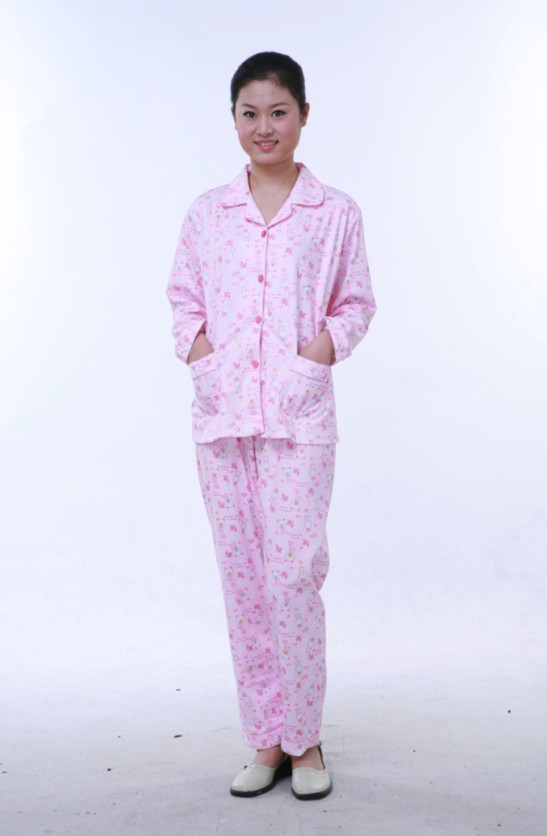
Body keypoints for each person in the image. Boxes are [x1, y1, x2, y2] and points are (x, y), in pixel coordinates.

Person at [166, 51, 377, 800]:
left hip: (297, 418)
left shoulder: (335, 212)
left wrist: (316, 355)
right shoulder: (207, 213)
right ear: (233, 120)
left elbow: (355, 303)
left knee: (293, 576)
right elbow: (183, 300)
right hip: (222, 418)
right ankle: (265, 737)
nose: (264, 126)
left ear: (303, 116)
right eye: (249, 113)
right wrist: (203, 357)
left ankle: (305, 738)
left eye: (278, 112)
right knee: (244, 580)